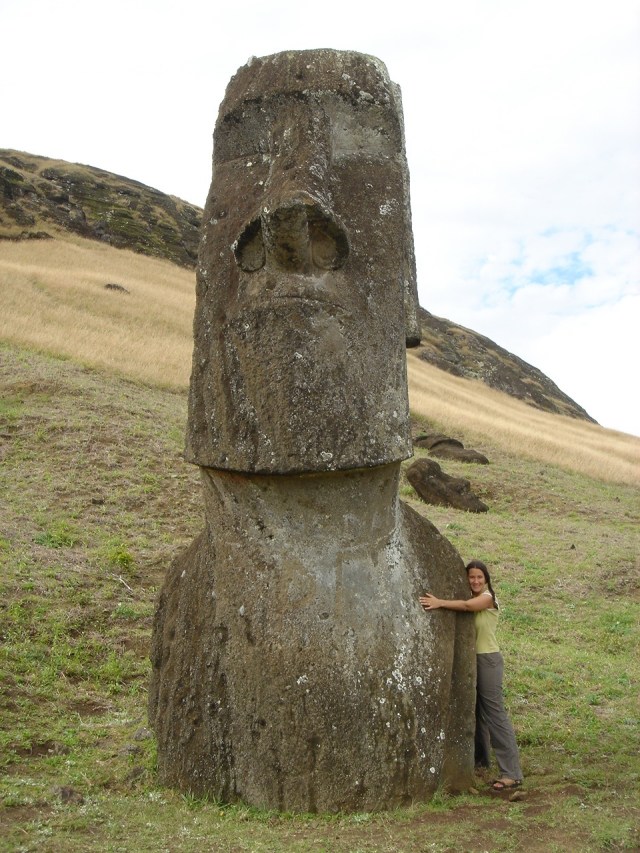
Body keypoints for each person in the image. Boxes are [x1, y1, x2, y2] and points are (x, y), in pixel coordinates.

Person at [419, 559, 523, 791]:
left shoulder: (488, 598)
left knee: (495, 713)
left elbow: (467, 606)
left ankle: (511, 773)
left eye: (479, 577)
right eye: (471, 577)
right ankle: (481, 763)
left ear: (486, 579)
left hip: (488, 660)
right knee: (477, 713)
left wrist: (439, 602)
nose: (475, 581)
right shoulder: (473, 596)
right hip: (473, 660)